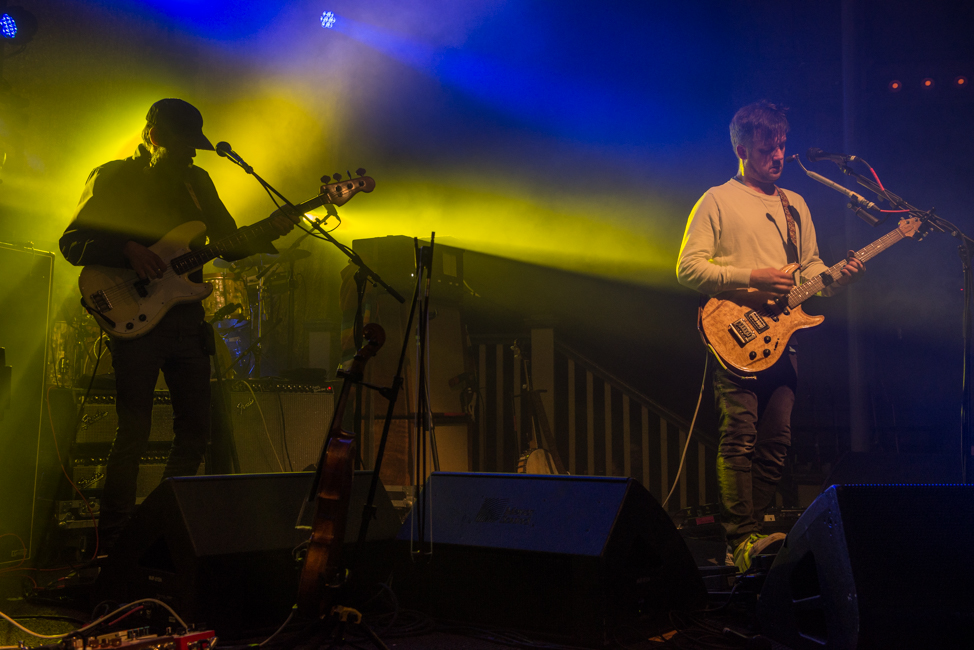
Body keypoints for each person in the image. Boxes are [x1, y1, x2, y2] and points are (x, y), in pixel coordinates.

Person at [60, 98, 294, 552]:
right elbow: (73, 242)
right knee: (134, 431)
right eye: (183, 143)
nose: (191, 153)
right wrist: (128, 249)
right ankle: (114, 541)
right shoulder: (114, 176)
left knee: (195, 432)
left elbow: (231, 243)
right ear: (154, 137)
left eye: (195, 145)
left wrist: (273, 228)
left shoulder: (197, 180)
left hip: (187, 320)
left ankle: (158, 525)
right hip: (134, 316)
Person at [676, 101, 864, 572]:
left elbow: (811, 267)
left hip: (784, 338)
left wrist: (836, 277)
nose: (778, 155)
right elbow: (687, 268)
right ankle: (739, 537)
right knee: (738, 436)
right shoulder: (716, 199)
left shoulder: (794, 204)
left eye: (782, 145)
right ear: (742, 149)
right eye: (767, 148)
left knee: (776, 439)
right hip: (734, 332)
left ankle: (751, 530)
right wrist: (752, 277)